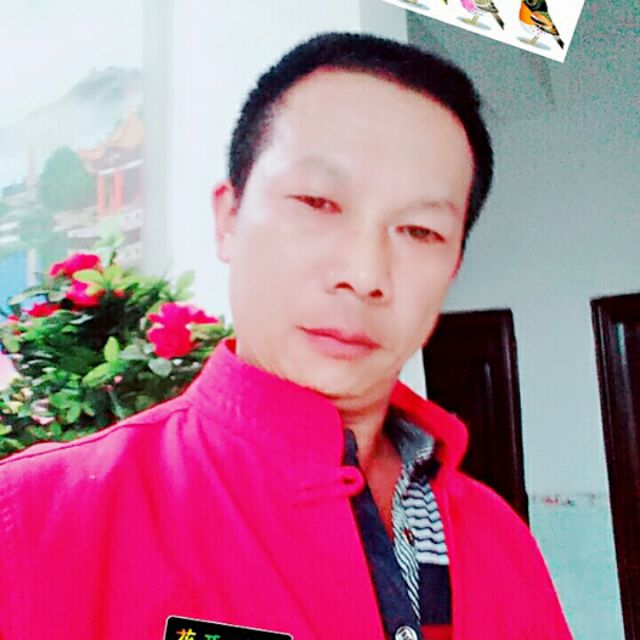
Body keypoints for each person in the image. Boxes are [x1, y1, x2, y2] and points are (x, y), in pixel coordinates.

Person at [0, 33, 572, 640]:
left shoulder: (501, 538)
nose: (364, 274)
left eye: (420, 231)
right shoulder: (35, 521)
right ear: (229, 217)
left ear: (453, 266)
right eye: (317, 202)